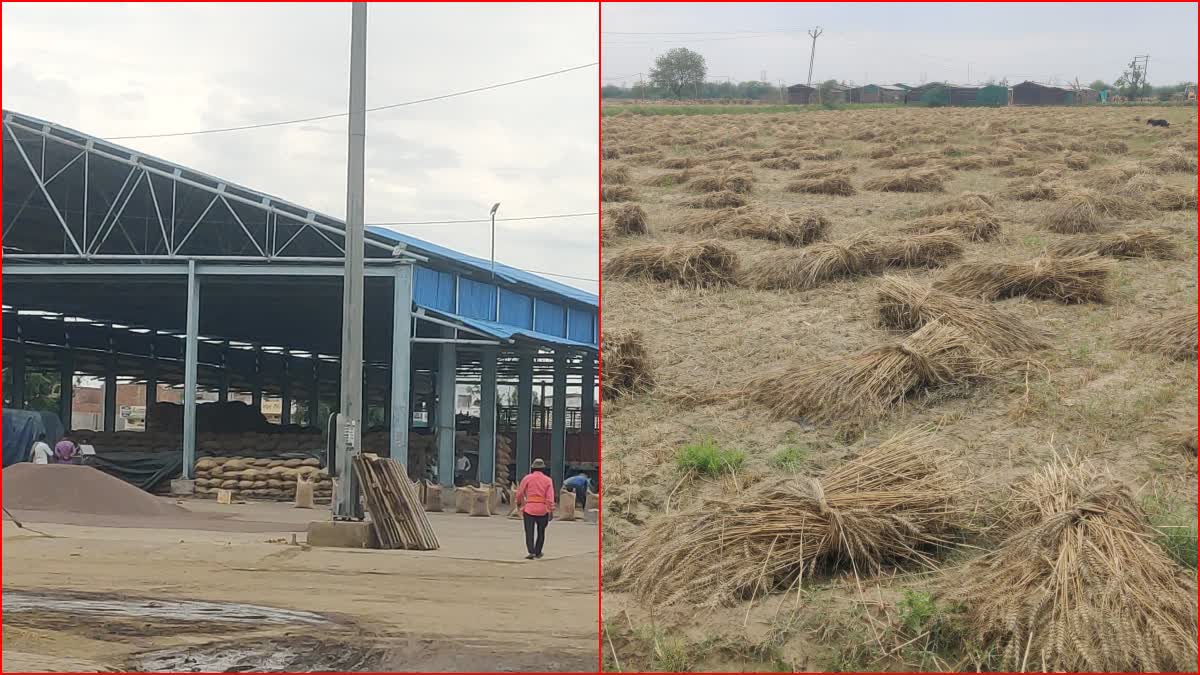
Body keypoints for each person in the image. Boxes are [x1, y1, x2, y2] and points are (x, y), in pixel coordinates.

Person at [514, 458, 555, 560]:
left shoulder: (527, 478)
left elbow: (520, 493)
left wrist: (518, 503)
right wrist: (551, 510)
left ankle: (531, 551)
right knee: (541, 532)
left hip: (529, 509)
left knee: (529, 531)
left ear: (532, 468)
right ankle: (538, 551)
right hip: (542, 509)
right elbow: (550, 497)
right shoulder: (548, 480)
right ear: (543, 469)